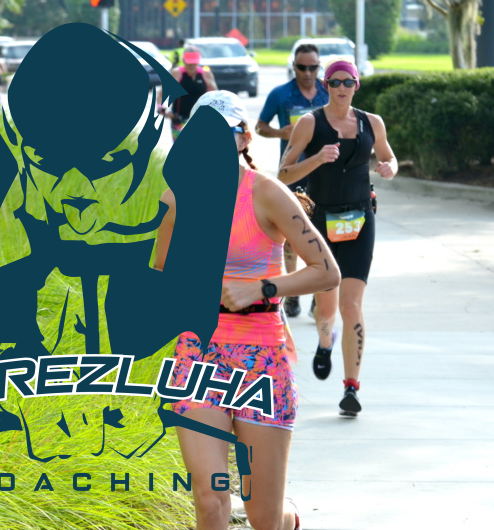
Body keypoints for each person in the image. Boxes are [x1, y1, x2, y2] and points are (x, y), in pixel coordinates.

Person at [154, 91, 340, 530]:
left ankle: (287, 519)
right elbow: (161, 279)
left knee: (263, 518)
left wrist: (262, 287)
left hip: (262, 359)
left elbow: (327, 271)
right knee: (209, 500)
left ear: (243, 138)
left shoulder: (268, 193)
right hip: (198, 355)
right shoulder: (176, 200)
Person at [278, 60, 397, 417]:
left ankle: (351, 388)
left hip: (360, 219)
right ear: (326, 85)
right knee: (327, 311)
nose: (342, 88)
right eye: (335, 82)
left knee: (351, 305)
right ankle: (325, 341)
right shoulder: (310, 123)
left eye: (348, 82)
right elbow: (284, 174)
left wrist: (388, 167)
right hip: (320, 220)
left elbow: (389, 158)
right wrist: (317, 159)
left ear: (357, 86)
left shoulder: (371, 123)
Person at [257, 43, 329, 318]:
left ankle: (319, 293)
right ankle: (293, 292)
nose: (308, 73)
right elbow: (259, 127)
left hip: (325, 173)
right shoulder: (281, 94)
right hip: (293, 173)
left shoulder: (328, 91)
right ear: (294, 66)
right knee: (291, 234)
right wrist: (280, 133)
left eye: (313, 67)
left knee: (323, 232)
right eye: (302, 67)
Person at [156, 45, 218, 141]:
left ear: (198, 61)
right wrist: (161, 108)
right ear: (184, 61)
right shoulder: (176, 73)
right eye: (189, 62)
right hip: (179, 120)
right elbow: (161, 94)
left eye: (193, 62)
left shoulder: (206, 74)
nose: (191, 65)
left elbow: (216, 96)